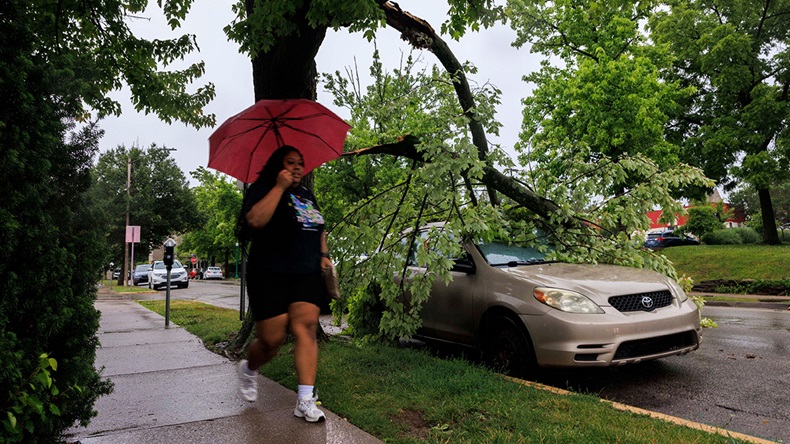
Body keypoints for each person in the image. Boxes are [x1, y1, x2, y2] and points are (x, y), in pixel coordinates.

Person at [236, 145, 331, 423]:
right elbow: (255, 221)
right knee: (272, 340)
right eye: (291, 162)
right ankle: (249, 369)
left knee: (307, 327)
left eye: (300, 162)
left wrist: (324, 254)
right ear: (278, 166)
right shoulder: (262, 188)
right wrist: (279, 187)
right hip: (269, 272)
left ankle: (304, 400)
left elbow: (318, 226)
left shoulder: (306, 194)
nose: (298, 167)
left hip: (305, 271)